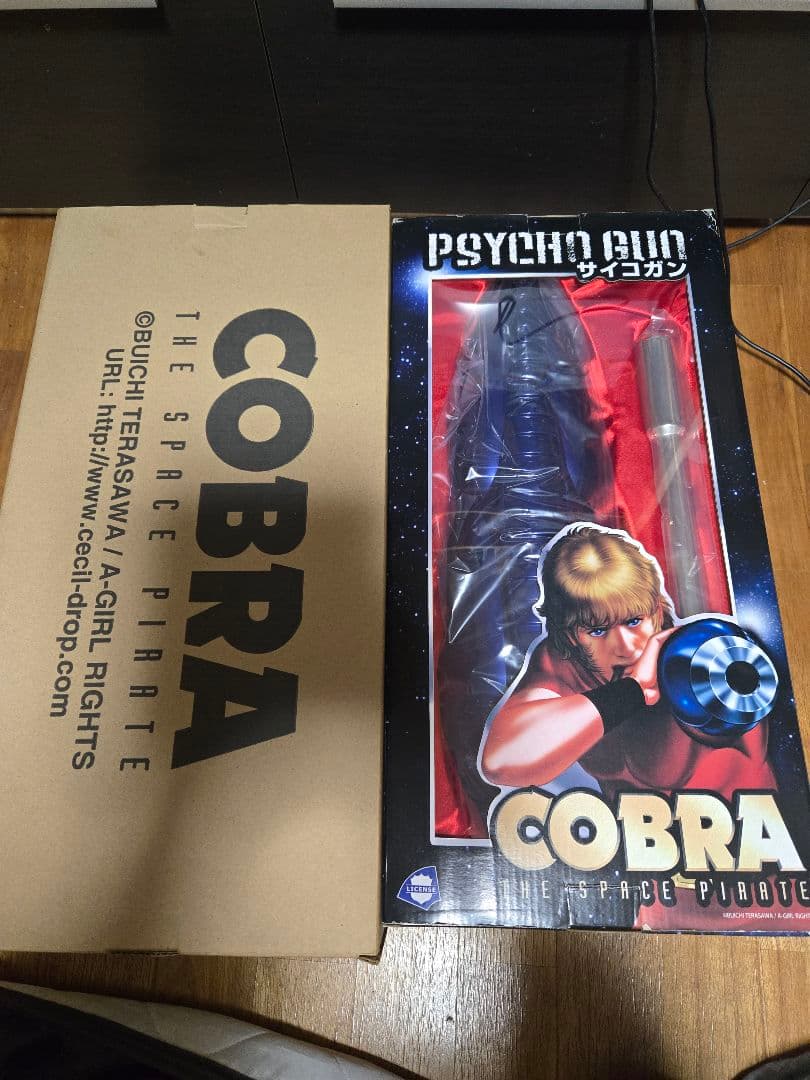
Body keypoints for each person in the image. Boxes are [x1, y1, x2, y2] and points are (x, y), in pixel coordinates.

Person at [479, 524, 774, 801]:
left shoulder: (700, 657)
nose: (626, 648)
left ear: (656, 613)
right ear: (571, 636)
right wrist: (632, 691)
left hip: (738, 827)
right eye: (597, 630)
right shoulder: (567, 664)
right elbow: (500, 762)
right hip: (628, 833)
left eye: (634, 621)